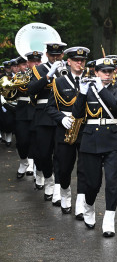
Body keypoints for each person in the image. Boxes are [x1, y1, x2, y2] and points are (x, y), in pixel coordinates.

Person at [72, 57, 117, 236]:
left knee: (112, 182)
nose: (107, 74)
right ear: (95, 72)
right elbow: (77, 114)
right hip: (91, 140)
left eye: (110, 71)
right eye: (103, 71)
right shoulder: (88, 91)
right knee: (92, 183)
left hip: (112, 139)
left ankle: (109, 218)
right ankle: (88, 206)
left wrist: (101, 89)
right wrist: (81, 93)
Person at [45, 46, 90, 216]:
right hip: (65, 129)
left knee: (85, 168)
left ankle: (80, 202)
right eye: (76, 60)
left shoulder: (91, 80)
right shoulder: (59, 82)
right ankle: (64, 193)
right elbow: (49, 108)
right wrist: (61, 118)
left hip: (86, 128)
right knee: (64, 168)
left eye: (82, 60)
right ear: (68, 62)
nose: (80, 63)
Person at [28, 41, 67, 203]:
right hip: (44, 115)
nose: (56, 58)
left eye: (58, 55)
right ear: (47, 55)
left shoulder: (69, 69)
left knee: (60, 154)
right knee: (43, 153)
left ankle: (57, 187)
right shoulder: (38, 70)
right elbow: (31, 90)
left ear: (63, 55)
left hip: (62, 115)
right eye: (52, 55)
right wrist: (48, 76)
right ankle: (48, 178)